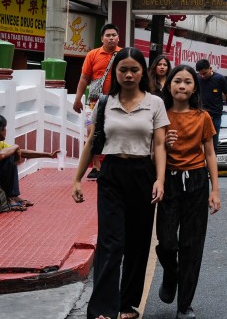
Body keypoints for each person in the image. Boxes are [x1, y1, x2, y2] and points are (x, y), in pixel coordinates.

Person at [71, 47, 167, 319]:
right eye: (123, 70)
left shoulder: (155, 103)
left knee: (138, 242)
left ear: (142, 72)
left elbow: (159, 144)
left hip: (143, 173)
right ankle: (102, 308)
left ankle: (126, 304)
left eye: (134, 70)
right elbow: (92, 141)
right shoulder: (105, 102)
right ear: (115, 72)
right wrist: (77, 178)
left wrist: (160, 179)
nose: (128, 75)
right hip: (112, 173)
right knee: (111, 241)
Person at [155, 64, 220, 319]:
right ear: (169, 84)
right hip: (168, 181)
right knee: (167, 242)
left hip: (196, 182)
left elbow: (210, 152)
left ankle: (185, 305)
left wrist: (215, 189)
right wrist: (164, 145)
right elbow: (154, 152)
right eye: (177, 81)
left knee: (192, 245)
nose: (182, 86)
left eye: (188, 82)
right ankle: (170, 274)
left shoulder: (202, 117)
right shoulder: (159, 115)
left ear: (194, 87)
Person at [0, 113, 59, 208]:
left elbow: (21, 152)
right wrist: (16, 147)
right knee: (9, 156)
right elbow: (2, 155)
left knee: (10, 154)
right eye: (5, 128)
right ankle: (12, 197)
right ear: (0, 130)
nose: (6, 131)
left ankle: (13, 196)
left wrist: (49, 155)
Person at [73, 23, 122, 114]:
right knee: (93, 126)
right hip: (96, 100)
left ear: (118, 38)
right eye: (107, 35)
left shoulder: (124, 54)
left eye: (114, 35)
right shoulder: (92, 54)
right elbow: (84, 78)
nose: (111, 38)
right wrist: (78, 99)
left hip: (119, 99)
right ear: (102, 39)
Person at [195, 58, 227, 152]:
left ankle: (212, 165)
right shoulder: (197, 79)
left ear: (210, 68)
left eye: (205, 73)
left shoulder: (219, 78)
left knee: (213, 144)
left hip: (215, 116)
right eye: (200, 73)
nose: (202, 76)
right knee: (198, 143)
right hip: (200, 115)